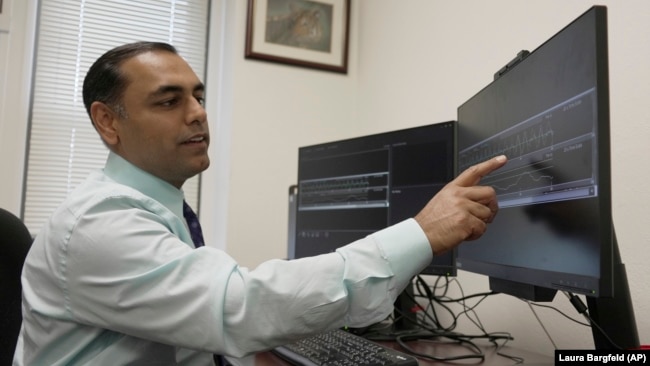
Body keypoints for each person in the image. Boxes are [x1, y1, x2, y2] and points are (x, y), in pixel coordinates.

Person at [13, 41, 507, 365]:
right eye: (169, 101)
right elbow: (241, 306)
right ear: (107, 121)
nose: (198, 115)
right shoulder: (99, 222)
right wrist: (421, 232)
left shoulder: (150, 208)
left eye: (199, 97)